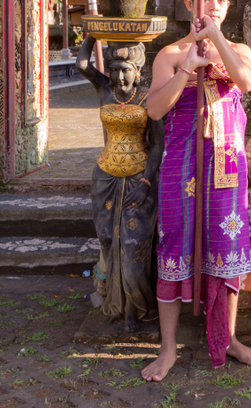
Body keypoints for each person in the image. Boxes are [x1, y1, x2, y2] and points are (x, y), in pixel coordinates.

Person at [141, 0, 251, 382]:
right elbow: (154, 110)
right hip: (181, 165)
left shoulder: (239, 50)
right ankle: (169, 348)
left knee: (227, 248)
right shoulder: (170, 55)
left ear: (228, 6)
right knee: (173, 247)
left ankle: (228, 339)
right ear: (189, 1)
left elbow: (245, 82)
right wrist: (189, 67)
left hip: (227, 163)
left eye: (220, 0)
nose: (212, 5)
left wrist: (216, 41)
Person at [76, 38, 164, 333]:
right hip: (105, 176)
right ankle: (114, 302)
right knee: (107, 239)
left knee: (133, 245)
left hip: (139, 177)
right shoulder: (104, 89)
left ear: (137, 71)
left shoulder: (149, 97)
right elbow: (82, 64)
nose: (120, 76)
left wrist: (147, 181)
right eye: (114, 70)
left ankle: (136, 307)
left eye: (126, 70)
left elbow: (158, 146)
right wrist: (92, 34)